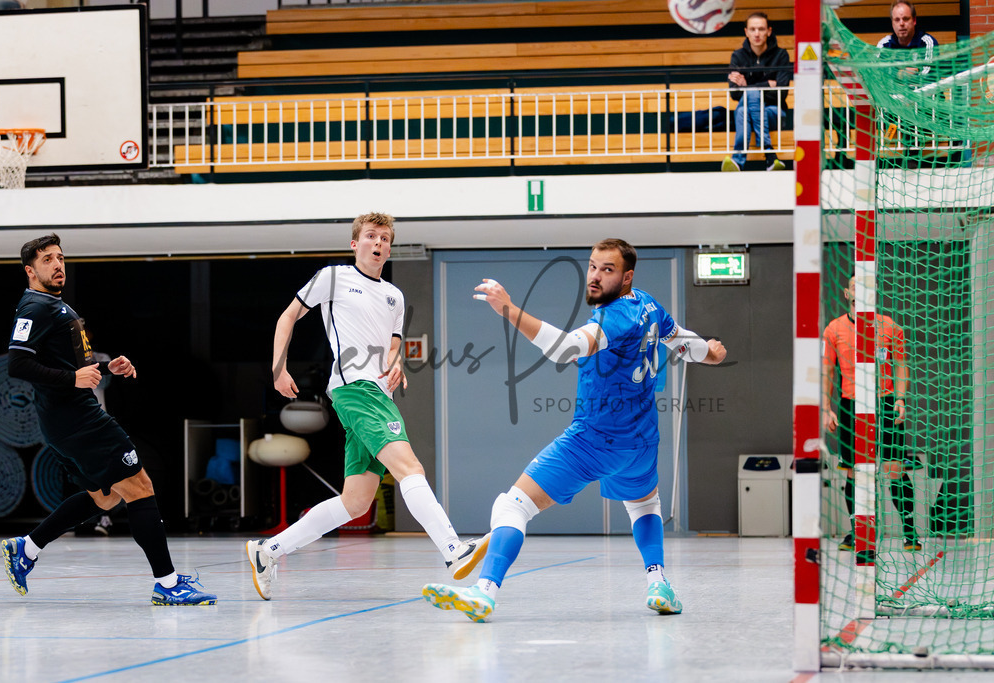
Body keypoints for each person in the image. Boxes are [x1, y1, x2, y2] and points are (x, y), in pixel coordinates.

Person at [422, 238, 727, 622]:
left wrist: (509, 310)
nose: (596, 277)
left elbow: (566, 349)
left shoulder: (612, 318)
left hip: (593, 439)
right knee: (644, 505)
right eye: (593, 266)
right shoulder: (649, 305)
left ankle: (484, 592)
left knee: (511, 505)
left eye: (608, 270)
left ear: (627, 276)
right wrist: (712, 352)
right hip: (643, 440)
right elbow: (684, 343)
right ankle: (658, 582)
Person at [245, 212, 489, 600]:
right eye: (372, 236)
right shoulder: (334, 277)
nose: (379, 243)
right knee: (410, 467)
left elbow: (393, 345)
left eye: (386, 238)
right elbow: (288, 316)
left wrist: (397, 365)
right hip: (355, 388)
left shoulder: (395, 296)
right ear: (355, 244)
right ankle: (453, 551)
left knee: (356, 502)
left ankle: (268, 550)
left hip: (380, 393)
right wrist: (278, 369)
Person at [2, 233, 216, 605]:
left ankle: (28, 548)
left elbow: (77, 366)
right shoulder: (34, 306)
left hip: (70, 421)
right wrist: (72, 379)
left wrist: (108, 368)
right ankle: (167, 585)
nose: (57, 265)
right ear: (30, 271)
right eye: (47, 260)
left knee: (103, 498)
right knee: (140, 485)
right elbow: (17, 364)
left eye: (60, 258)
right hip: (78, 421)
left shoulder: (57, 308)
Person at [822, 276, 920, 552]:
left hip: (885, 403)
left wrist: (901, 399)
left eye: (866, 284)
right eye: (855, 285)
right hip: (851, 405)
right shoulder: (834, 329)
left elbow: (901, 365)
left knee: (893, 469)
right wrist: (825, 407)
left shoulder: (890, 327)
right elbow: (828, 371)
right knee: (856, 473)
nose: (860, 288)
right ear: (846, 293)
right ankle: (857, 533)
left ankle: (910, 532)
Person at [721, 12, 792, 173]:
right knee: (743, 110)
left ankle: (738, 160)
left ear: (769, 31)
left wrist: (748, 86)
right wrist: (767, 85)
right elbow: (734, 94)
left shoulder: (781, 55)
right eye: (752, 29)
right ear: (746, 32)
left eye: (761, 29)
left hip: (774, 112)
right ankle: (769, 155)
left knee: (743, 109)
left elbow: (781, 93)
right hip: (748, 113)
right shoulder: (738, 56)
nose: (757, 33)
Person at [878, 1, 938, 75]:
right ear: (892, 23)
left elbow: (928, 75)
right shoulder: (884, 45)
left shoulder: (927, 42)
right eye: (897, 20)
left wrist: (894, 74)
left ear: (914, 21)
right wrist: (900, 74)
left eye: (906, 19)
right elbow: (877, 73)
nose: (901, 24)